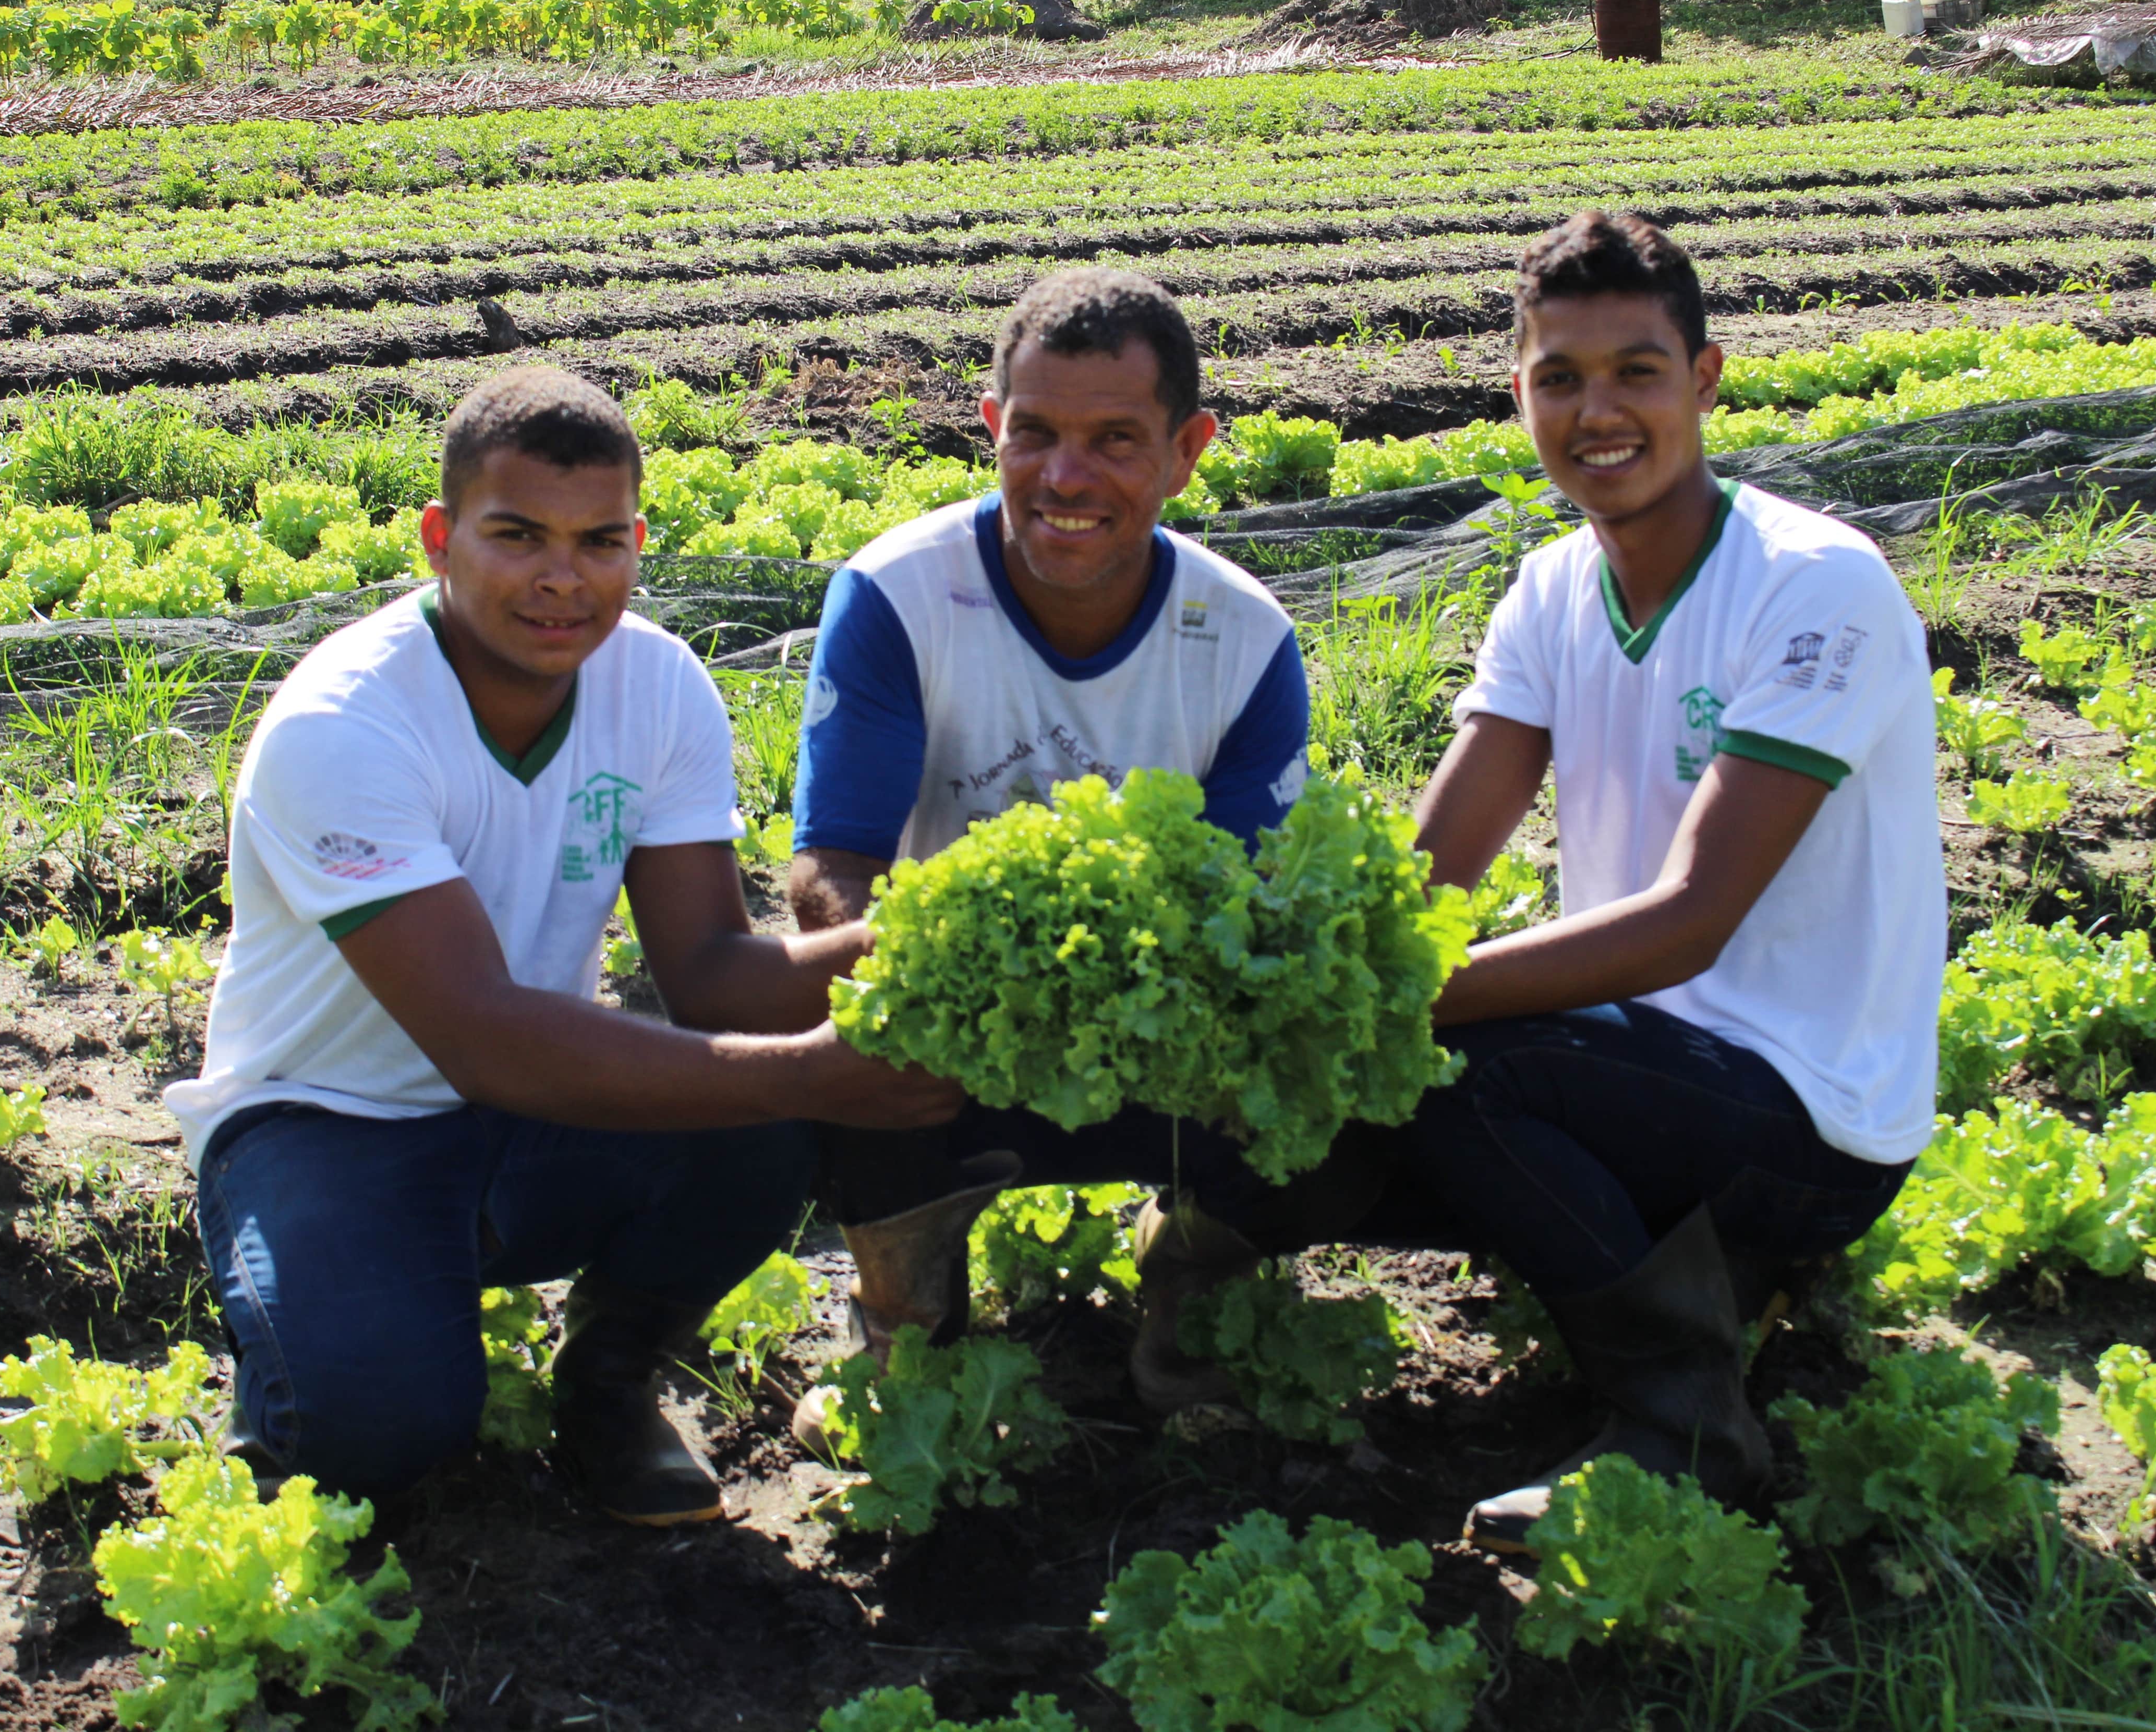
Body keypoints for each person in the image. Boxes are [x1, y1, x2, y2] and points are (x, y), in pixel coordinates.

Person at [166, 367, 959, 1527]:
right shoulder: (345, 723)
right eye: (517, 535)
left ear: (638, 541)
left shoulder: (658, 682)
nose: (561, 578)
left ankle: (608, 1381)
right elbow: (486, 1034)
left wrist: (949, 943)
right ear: (441, 537)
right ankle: (303, 1352)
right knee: (378, 1435)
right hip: (325, 1121)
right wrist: (821, 1068)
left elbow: (708, 976)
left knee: (769, 1122)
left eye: (599, 542)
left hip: (528, 1116)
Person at [1406, 212, 1944, 1551]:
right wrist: (1319, 976)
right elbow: (1437, 859)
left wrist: (1399, 996)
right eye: (1560, 378)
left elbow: (1691, 922)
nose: (1599, 412)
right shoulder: (1548, 589)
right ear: (1519, 392)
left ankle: (1685, 1427)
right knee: (1365, 1096)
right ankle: (1705, 1274)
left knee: (1457, 1063)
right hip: (1658, 1064)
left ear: (1705, 380)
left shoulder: (1816, 586)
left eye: (1637, 372)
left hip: (1808, 1111)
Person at [786, 268, 1349, 1434]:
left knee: (1324, 1057)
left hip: (1163, 1045)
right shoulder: (897, 596)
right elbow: (828, 868)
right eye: (1034, 434)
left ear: (1189, 449)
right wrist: (912, 968)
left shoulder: (1241, 640)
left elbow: (1251, 910)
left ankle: (1192, 1290)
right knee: (834, 1029)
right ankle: (907, 1319)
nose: (1065, 477)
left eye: (1115, 440)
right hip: (959, 1035)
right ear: (991, 427)